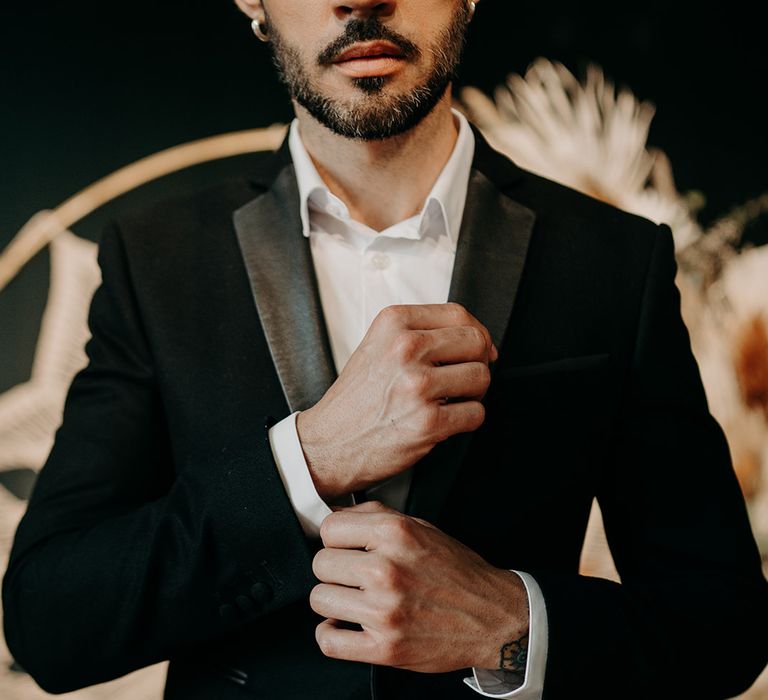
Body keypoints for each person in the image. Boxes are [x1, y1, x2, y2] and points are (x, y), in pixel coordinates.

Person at [3, 0, 767, 698]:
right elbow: (53, 622)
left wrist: (512, 623)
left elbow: (724, 627)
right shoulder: (156, 258)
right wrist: (309, 461)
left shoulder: (615, 260)